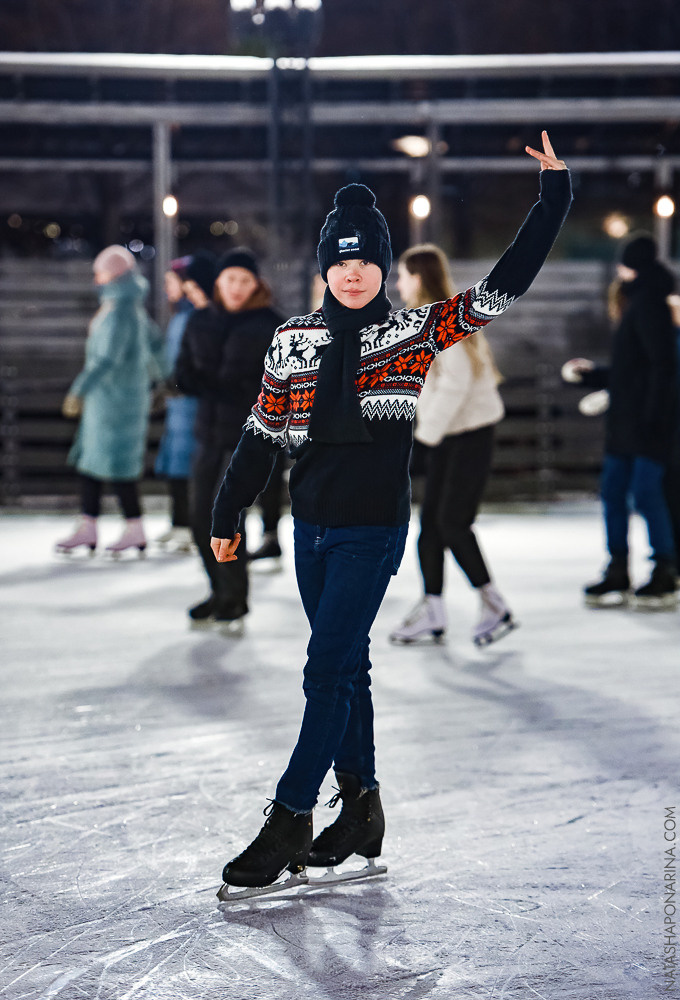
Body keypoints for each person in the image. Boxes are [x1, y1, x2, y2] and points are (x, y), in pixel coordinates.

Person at [210, 132, 571, 893]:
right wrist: (227, 512)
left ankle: (292, 812)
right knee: (349, 667)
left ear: (382, 268)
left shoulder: (408, 334)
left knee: (325, 669)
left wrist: (553, 198)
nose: (352, 273)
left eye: (366, 262)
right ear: (323, 268)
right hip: (309, 528)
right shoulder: (294, 340)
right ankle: (364, 807)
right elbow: (260, 434)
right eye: (340, 262)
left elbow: (502, 289)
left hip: (371, 531)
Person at [388, 243, 516, 647]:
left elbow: (456, 382)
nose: (398, 283)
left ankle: (494, 604)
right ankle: (434, 609)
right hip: (450, 434)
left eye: (404, 275)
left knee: (452, 524)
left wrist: (424, 439)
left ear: (419, 278)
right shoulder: (432, 319)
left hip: (468, 435)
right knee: (430, 528)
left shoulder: (447, 322)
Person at [563, 233, 678, 607]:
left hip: (644, 423)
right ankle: (621, 570)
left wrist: (652, 417)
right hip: (631, 420)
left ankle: (663, 568)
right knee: (617, 492)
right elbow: (634, 370)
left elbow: (661, 368)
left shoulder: (648, 305)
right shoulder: (644, 303)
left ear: (629, 267)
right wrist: (594, 374)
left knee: (643, 493)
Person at [175, 247, 282, 628]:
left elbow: (274, 385)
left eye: (244, 280)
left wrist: (228, 389)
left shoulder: (272, 325)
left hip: (248, 438)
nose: (236, 287)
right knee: (198, 517)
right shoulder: (199, 321)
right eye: (230, 279)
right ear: (218, 282)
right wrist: (195, 382)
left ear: (256, 284)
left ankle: (235, 597)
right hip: (207, 432)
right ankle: (219, 589)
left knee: (227, 520)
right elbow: (183, 370)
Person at [56, 245, 164, 557]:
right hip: (114, 400)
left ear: (113, 274)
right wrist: (162, 382)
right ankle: (90, 524)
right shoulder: (128, 307)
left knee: (117, 467)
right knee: (93, 463)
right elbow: (155, 345)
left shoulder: (120, 311)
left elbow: (105, 359)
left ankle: (133, 527)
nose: (95, 278)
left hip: (115, 402)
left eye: (100, 272)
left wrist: (78, 389)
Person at [153, 260, 199, 553]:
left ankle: (188, 524)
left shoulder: (194, 317)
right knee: (175, 462)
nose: (167, 288)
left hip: (191, 402)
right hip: (177, 402)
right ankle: (179, 522)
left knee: (186, 463)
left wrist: (178, 384)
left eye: (172, 281)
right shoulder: (180, 316)